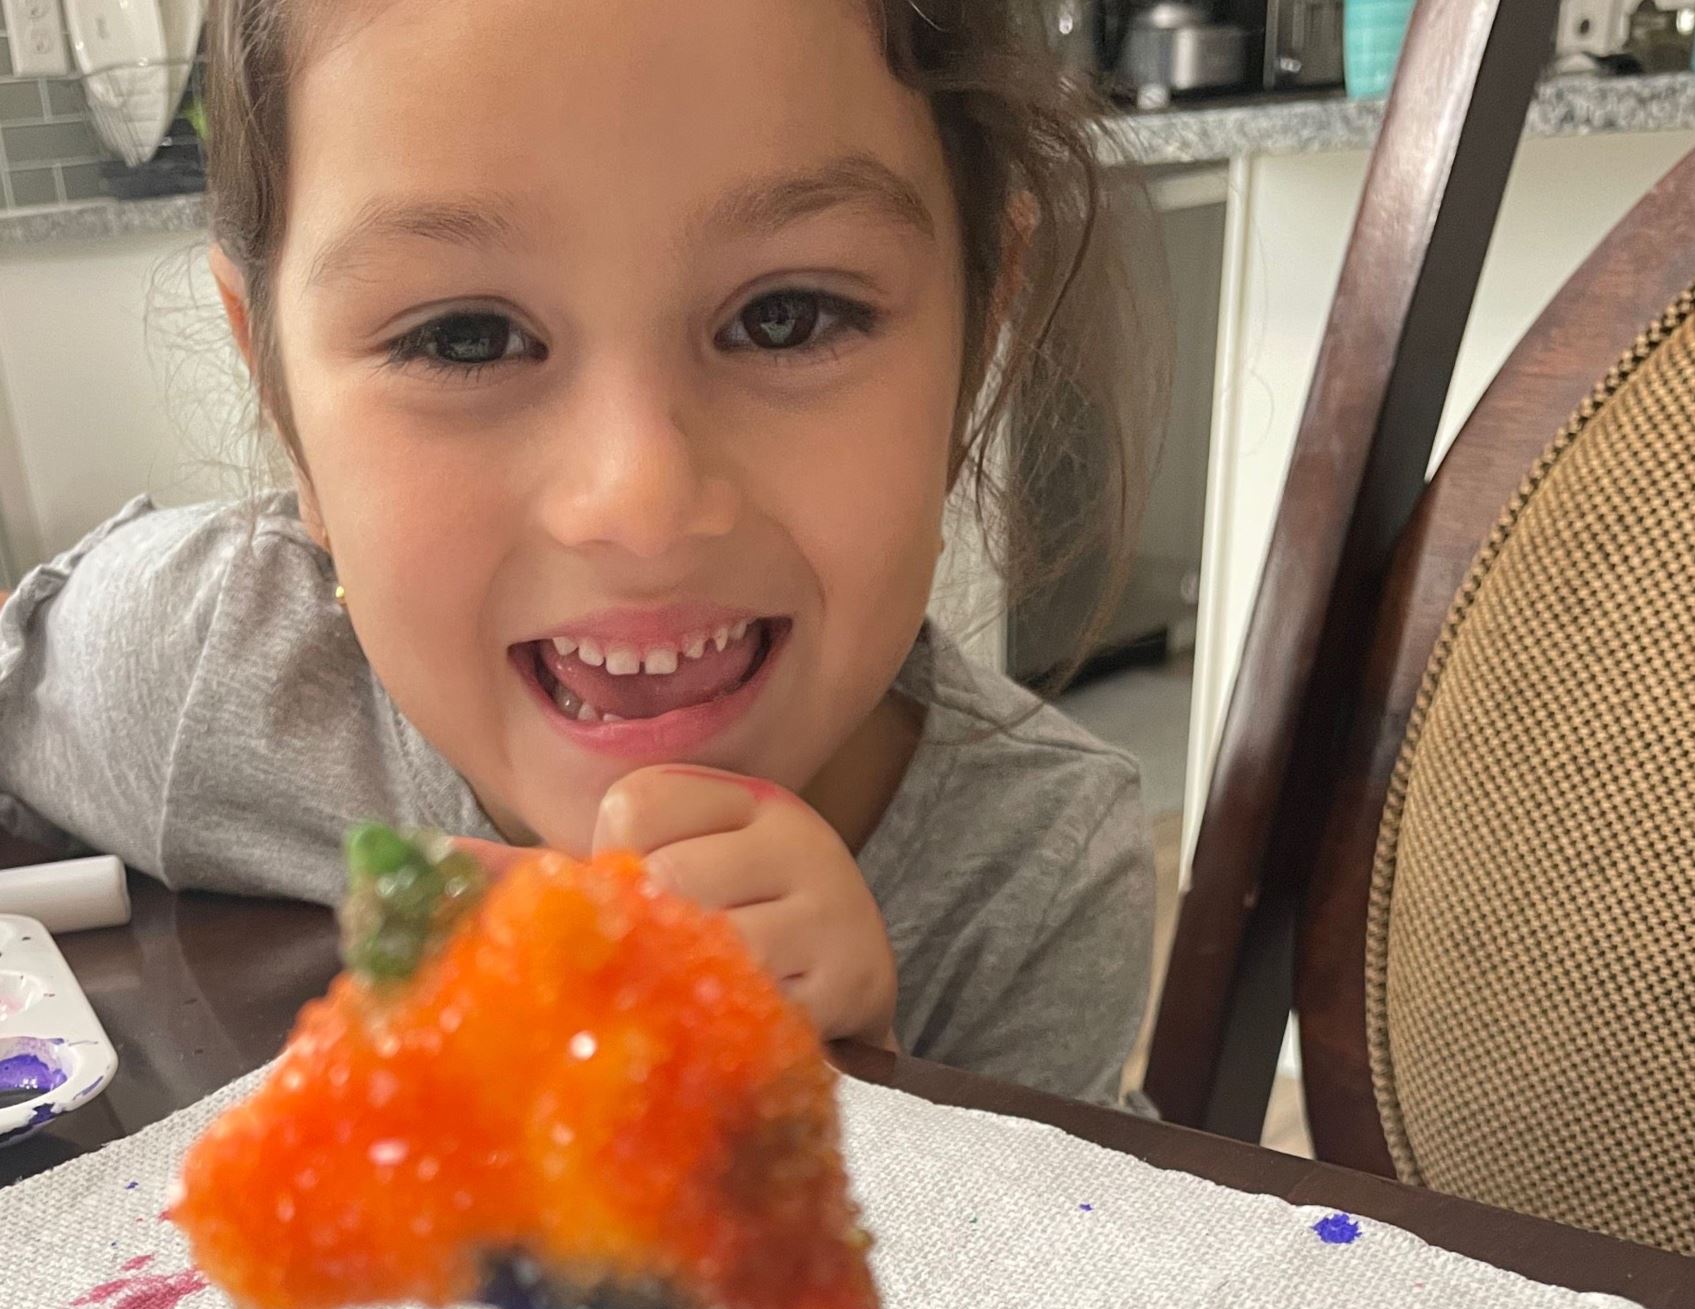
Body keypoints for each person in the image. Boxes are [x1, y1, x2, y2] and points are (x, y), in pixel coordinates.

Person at [0, 0, 1166, 1104]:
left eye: (788, 316)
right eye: (466, 337)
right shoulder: (204, 668)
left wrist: (863, 1107)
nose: (639, 504)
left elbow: (1030, 1248)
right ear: (278, 396)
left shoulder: (1033, 877)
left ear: (977, 334)